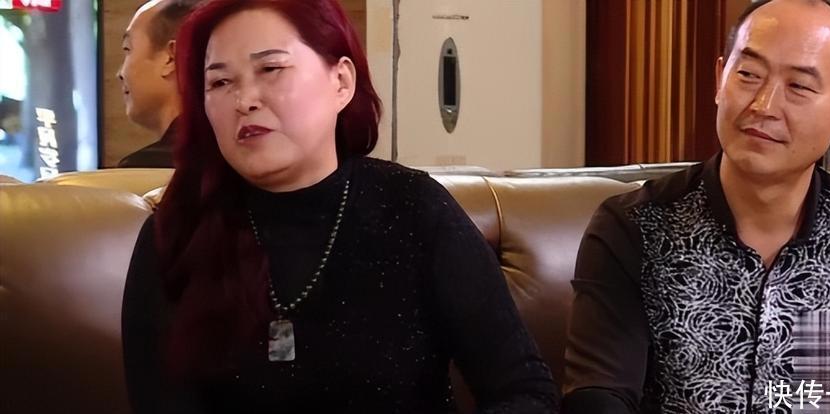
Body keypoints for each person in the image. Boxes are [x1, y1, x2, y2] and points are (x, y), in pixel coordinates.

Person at [120, 1, 558, 413]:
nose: (244, 100)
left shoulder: (412, 209)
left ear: (342, 82)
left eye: (271, 69)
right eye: (220, 82)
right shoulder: (175, 234)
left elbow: (525, 391)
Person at [562, 0, 830, 412]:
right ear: (720, 79)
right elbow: (600, 395)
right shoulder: (634, 227)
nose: (764, 106)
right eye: (749, 75)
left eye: (799, 86)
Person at [116, 0, 201, 168]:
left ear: (170, 59)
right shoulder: (233, 159)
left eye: (128, 49)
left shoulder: (145, 171)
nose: (120, 73)